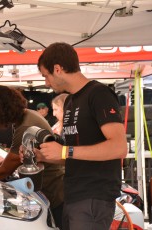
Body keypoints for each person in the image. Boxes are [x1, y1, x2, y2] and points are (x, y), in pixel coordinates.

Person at [35, 42, 127, 230]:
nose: (46, 82)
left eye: (46, 76)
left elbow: (119, 147)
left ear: (58, 69)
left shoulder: (98, 94)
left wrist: (64, 151)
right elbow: (75, 155)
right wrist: (44, 156)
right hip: (74, 195)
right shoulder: (69, 101)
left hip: (93, 196)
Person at [0, 85, 64, 229]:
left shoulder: (24, 127)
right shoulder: (25, 116)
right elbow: (10, 161)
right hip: (49, 190)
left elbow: (5, 170)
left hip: (52, 192)